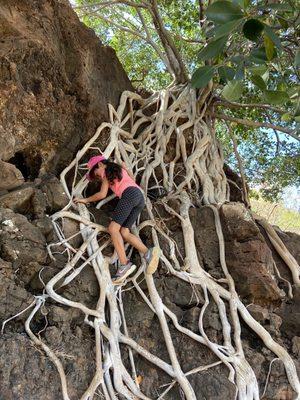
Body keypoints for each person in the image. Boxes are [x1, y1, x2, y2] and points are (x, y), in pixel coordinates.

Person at [74, 155, 160, 283]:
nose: (98, 176)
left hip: (129, 195)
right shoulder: (119, 169)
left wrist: (85, 200)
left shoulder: (106, 172)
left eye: (95, 173)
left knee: (113, 228)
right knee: (124, 232)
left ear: (100, 165)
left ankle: (125, 264)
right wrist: (126, 168)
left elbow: (102, 194)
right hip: (139, 198)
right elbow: (133, 179)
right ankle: (148, 253)